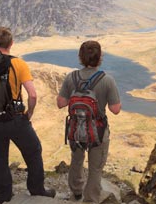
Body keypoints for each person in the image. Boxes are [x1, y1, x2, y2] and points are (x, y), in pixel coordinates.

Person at [0, 27, 55, 203]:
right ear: (11, 43)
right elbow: (33, 94)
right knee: (34, 150)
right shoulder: (19, 64)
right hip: (15, 119)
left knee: (0, 158)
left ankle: (3, 196)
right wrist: (29, 113)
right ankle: (37, 189)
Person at [57, 40, 121, 203]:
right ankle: (90, 199)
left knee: (76, 160)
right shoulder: (107, 80)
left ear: (81, 57)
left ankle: (76, 191)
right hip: (98, 131)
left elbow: (61, 103)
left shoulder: (72, 77)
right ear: (100, 57)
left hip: (76, 129)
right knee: (95, 167)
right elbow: (115, 109)